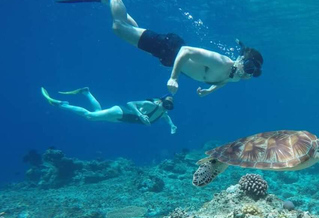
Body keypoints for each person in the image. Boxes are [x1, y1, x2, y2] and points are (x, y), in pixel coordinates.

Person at [56, 0, 264, 97]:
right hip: (170, 48)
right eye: (248, 64)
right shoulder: (223, 62)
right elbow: (186, 52)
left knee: (132, 30)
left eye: (252, 70)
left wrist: (210, 90)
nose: (248, 71)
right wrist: (174, 77)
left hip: (166, 54)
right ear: (239, 58)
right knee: (118, 28)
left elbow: (224, 82)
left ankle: (109, 4)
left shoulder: (235, 76)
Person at [41, 87, 177, 134]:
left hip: (121, 119)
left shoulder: (163, 113)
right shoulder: (150, 105)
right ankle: (61, 104)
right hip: (120, 112)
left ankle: (86, 92)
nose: (167, 107)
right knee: (90, 116)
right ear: (160, 101)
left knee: (97, 112)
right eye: (166, 103)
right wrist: (140, 115)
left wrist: (172, 126)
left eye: (170, 106)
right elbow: (130, 103)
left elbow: (167, 118)